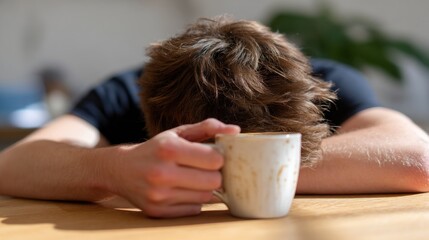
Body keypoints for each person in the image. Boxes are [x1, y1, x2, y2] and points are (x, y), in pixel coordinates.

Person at [0, 17, 428, 218]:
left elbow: (417, 157)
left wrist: (219, 172)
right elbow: (13, 163)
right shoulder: (124, 90)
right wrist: (114, 169)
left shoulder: (322, 83)